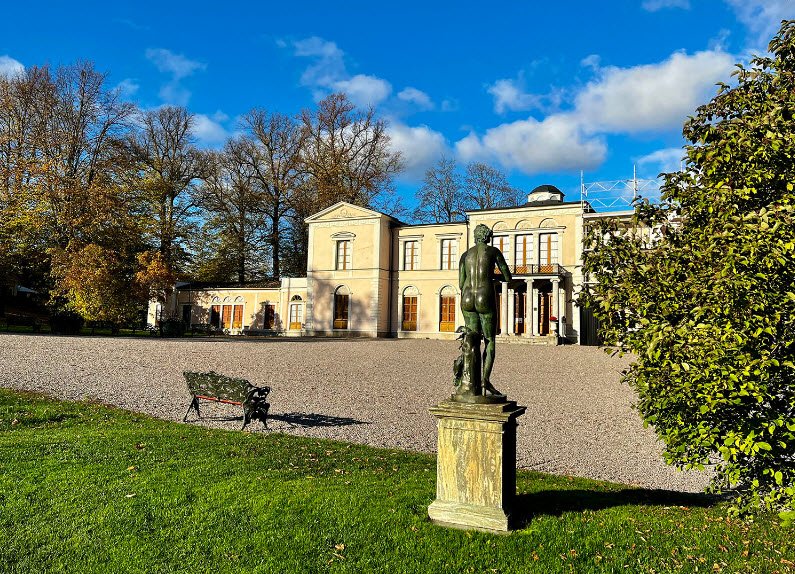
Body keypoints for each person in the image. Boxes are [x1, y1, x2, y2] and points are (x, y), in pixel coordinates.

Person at [459, 223, 512, 395]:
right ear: (488, 237)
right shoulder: (493, 251)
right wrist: (491, 276)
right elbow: (507, 276)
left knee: (471, 340)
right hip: (485, 295)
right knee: (489, 340)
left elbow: (461, 283)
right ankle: (484, 381)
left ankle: (469, 382)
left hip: (467, 296)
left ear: (475, 237)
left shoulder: (465, 255)